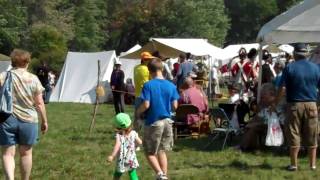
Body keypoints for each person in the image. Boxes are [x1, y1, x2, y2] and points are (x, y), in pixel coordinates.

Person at [0, 49, 48, 180]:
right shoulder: (33, 78)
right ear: (27, 62)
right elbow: (39, 103)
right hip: (29, 120)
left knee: (7, 154)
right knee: (26, 153)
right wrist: (44, 121)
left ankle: (10, 178)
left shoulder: (3, 76)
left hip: (6, 118)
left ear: (12, 61)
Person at [277, 43, 320, 171]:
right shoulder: (316, 68)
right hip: (312, 104)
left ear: (295, 54)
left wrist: (275, 102)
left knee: (294, 133)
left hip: (294, 105)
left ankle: (294, 164)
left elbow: (282, 88)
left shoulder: (289, 67)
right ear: (306, 54)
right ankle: (312, 165)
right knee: (312, 134)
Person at [137, 58, 179, 180]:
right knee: (161, 150)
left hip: (154, 122)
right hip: (167, 122)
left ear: (149, 71)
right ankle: (163, 176)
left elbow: (146, 105)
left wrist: (137, 112)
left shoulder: (148, 85)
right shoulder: (171, 85)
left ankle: (160, 174)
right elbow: (175, 106)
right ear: (162, 69)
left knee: (149, 151)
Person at [107, 113, 142, 180]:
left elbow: (117, 146)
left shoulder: (119, 136)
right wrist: (137, 146)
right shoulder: (134, 133)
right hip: (131, 158)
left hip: (122, 159)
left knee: (118, 173)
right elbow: (140, 142)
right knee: (132, 173)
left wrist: (112, 156)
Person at [133, 52, 155, 130]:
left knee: (137, 115)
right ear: (145, 60)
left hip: (137, 94)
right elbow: (151, 81)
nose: (150, 61)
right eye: (149, 60)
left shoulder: (136, 67)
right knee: (145, 116)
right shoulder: (146, 69)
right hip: (145, 95)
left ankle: (135, 132)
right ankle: (145, 132)